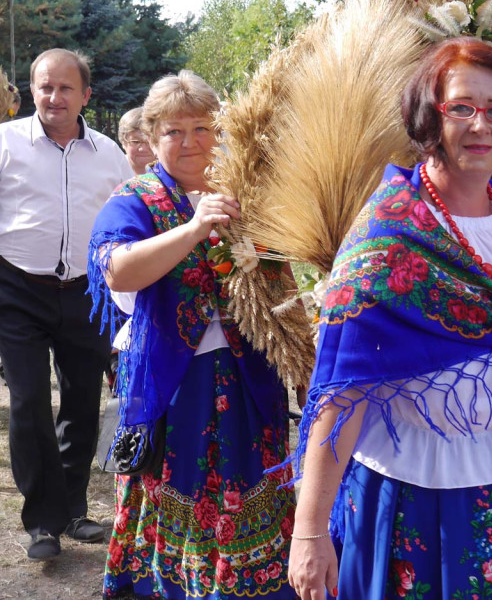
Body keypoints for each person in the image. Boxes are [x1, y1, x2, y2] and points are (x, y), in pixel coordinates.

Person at [286, 37, 492, 600]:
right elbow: (342, 390)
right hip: (409, 493)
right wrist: (308, 530)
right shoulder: (388, 235)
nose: (480, 126)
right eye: (460, 107)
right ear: (428, 116)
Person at [88, 70, 297, 598]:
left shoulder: (248, 191)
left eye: (202, 128)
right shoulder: (136, 197)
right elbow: (118, 272)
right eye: (173, 131)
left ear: (219, 132)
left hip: (252, 379)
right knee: (176, 491)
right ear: (153, 136)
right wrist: (192, 228)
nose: (189, 142)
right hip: (174, 385)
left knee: (255, 483)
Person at [0, 48, 134, 561]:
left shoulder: (108, 155)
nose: (54, 97)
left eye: (65, 88)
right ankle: (42, 523)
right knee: (29, 400)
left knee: (81, 403)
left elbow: (126, 217)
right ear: (32, 90)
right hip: (17, 291)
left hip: (87, 292)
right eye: (44, 87)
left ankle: (74, 509)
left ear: (85, 95)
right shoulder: (7, 144)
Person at [118, 106, 156, 175]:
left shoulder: (174, 173)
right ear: (123, 142)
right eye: (136, 142)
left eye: (149, 142)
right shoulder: (112, 171)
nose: (143, 149)